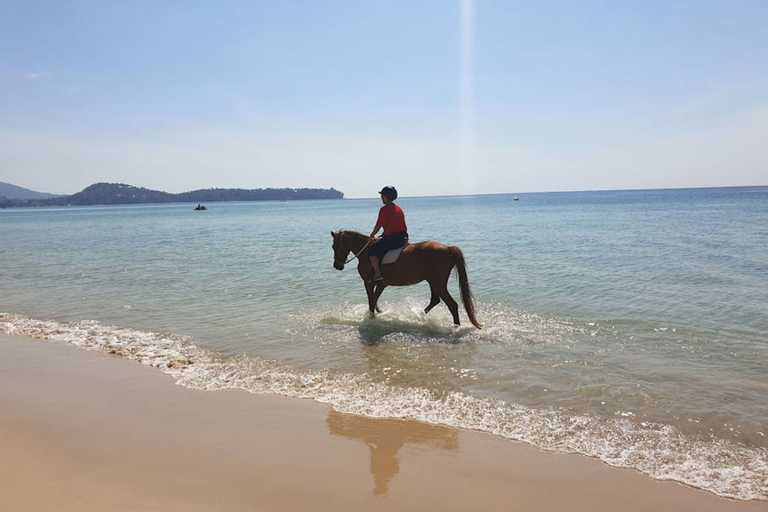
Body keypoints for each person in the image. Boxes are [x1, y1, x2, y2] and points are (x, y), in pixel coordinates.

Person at [368, 186, 408, 282]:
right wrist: (382, 235)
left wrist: (372, 235)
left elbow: (378, 225)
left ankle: (377, 274)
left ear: (387, 196)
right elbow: (394, 225)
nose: (381, 197)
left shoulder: (384, 210)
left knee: (371, 252)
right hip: (403, 237)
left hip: (393, 239)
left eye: (383, 195)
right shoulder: (398, 208)